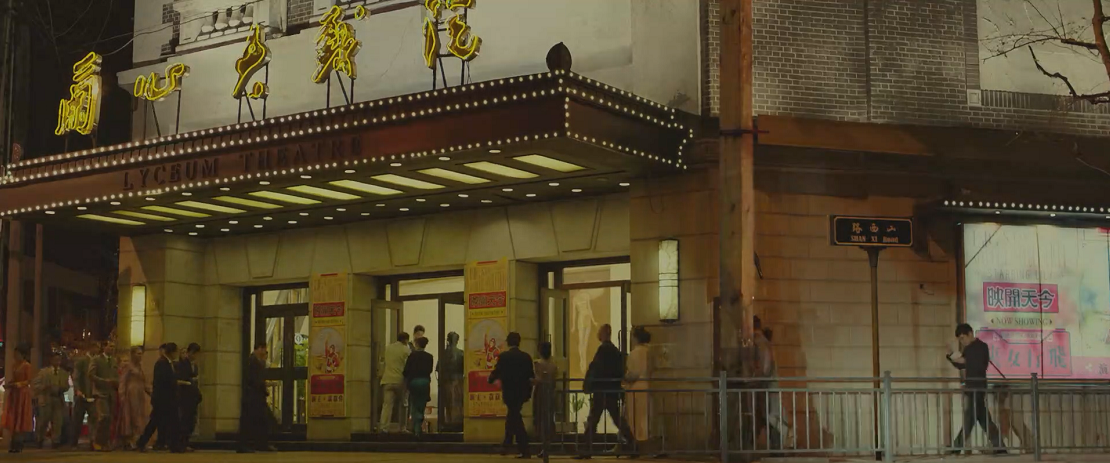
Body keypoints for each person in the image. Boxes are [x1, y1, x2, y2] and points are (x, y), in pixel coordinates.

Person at [576, 324, 634, 459]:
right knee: (615, 418)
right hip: (611, 390)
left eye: (599, 332)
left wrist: (589, 384)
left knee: (594, 419)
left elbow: (596, 369)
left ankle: (586, 449)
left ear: (603, 334)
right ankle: (632, 444)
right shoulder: (615, 351)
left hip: (601, 390)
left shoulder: (603, 350)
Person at [947, 323, 1006, 455]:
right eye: (960, 339)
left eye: (963, 338)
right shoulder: (969, 349)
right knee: (983, 420)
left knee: (970, 420)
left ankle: (956, 447)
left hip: (977, 388)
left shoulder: (980, 347)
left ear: (970, 334)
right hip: (972, 388)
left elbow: (973, 364)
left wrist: (959, 359)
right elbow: (961, 364)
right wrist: (952, 357)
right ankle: (1000, 447)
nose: (962, 342)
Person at [489, 332, 535, 459]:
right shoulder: (526, 357)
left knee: (514, 418)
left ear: (508, 342)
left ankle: (521, 447)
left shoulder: (504, 357)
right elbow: (531, 376)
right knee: (513, 416)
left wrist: (491, 379)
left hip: (509, 392)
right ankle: (508, 443)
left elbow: (496, 372)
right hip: (521, 393)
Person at [136, 342, 184, 453]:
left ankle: (174, 445)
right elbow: (162, 382)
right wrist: (175, 383)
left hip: (168, 399)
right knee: (156, 422)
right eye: (176, 352)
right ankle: (142, 442)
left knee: (171, 422)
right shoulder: (162, 363)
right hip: (163, 400)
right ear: (172, 352)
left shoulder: (168, 363)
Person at [239, 342, 276, 454]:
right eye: (264, 349)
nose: (265, 352)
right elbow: (253, 379)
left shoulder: (258, 361)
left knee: (262, 420)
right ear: (259, 349)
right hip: (252, 397)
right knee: (250, 421)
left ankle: (261, 444)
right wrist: (264, 387)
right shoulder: (252, 361)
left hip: (257, 396)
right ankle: (246, 445)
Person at [2, 344, 34, 453]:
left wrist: (18, 384)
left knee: (21, 416)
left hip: (22, 393)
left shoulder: (27, 366)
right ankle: (13, 442)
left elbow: (28, 380)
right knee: (13, 416)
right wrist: (10, 384)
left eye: (17, 354)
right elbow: (14, 378)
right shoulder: (14, 365)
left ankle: (18, 443)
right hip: (15, 393)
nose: (15, 356)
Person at [625, 327, 653, 451]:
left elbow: (633, 373)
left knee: (635, 417)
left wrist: (624, 379)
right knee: (646, 416)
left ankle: (637, 443)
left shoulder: (635, 353)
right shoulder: (650, 351)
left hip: (636, 388)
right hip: (648, 386)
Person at [35, 351, 71, 448]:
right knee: (43, 421)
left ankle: (56, 441)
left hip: (58, 399)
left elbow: (67, 386)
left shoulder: (64, 373)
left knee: (57, 422)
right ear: (51, 360)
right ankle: (40, 439)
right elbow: (36, 385)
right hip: (46, 398)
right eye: (55, 359)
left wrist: (61, 388)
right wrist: (44, 387)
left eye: (59, 360)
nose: (57, 362)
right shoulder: (43, 372)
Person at [69, 340, 99, 449]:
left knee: (93, 419)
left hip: (93, 394)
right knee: (77, 419)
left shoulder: (98, 360)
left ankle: (93, 441)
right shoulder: (82, 361)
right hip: (82, 394)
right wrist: (78, 390)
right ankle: (73, 441)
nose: (96, 350)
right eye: (95, 347)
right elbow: (76, 376)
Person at [117, 346, 149, 450]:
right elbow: (122, 381)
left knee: (140, 415)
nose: (140, 356)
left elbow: (144, 382)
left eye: (141, 354)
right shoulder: (128, 366)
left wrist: (150, 392)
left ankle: (138, 438)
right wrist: (122, 395)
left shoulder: (140, 367)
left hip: (140, 393)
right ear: (133, 354)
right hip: (131, 393)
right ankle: (131, 439)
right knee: (132, 415)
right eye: (138, 354)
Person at [89, 340, 118, 451]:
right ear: (104, 347)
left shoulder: (114, 361)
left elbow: (116, 375)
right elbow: (91, 375)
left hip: (111, 393)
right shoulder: (96, 360)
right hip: (100, 393)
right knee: (103, 417)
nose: (112, 349)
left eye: (113, 347)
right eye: (110, 346)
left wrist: (116, 381)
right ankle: (96, 441)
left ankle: (105, 442)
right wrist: (104, 381)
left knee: (109, 419)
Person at [379, 332, 411, 433]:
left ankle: (384, 427)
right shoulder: (406, 350)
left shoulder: (388, 348)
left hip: (387, 380)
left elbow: (382, 362)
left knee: (387, 405)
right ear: (406, 340)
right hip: (401, 381)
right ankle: (402, 428)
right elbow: (408, 365)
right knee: (403, 404)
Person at [403, 336, 434, 438]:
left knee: (414, 405)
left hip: (414, 382)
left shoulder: (412, 356)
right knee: (421, 405)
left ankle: (416, 428)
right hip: (425, 382)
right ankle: (418, 426)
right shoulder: (429, 357)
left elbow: (406, 371)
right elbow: (430, 370)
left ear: (417, 344)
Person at [532, 341, 558, 451]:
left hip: (540, 392)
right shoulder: (554, 366)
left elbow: (536, 379)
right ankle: (549, 440)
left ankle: (542, 443)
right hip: (550, 392)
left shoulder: (537, 364)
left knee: (539, 416)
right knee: (549, 417)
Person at [437, 331, 465, 430]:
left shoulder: (443, 353)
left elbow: (438, 368)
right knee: (458, 403)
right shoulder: (461, 353)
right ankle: (457, 421)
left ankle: (449, 421)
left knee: (448, 403)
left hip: (447, 381)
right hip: (459, 381)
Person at [178, 343, 202, 451]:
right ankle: (182, 443)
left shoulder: (194, 365)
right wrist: (191, 380)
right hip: (185, 396)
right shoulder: (183, 364)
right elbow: (182, 378)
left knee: (191, 420)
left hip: (193, 396)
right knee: (185, 419)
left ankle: (186, 441)